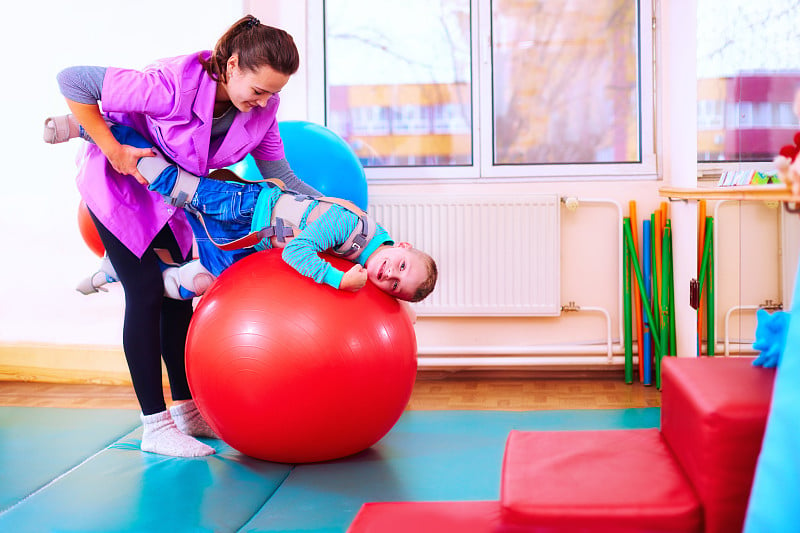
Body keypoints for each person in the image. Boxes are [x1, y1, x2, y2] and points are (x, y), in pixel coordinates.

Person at [44, 15, 320, 457]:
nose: (265, 101)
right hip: (118, 184)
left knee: (181, 298)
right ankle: (155, 427)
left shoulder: (262, 112)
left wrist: (330, 206)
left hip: (171, 196)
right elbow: (73, 80)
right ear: (231, 66)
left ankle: (186, 410)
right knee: (147, 291)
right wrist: (112, 148)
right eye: (259, 89)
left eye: (274, 93)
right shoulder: (171, 85)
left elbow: (279, 174)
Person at [52, 121, 438, 304]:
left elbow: (391, 285)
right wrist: (337, 283)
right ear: (401, 245)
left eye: (394, 286)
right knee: (176, 185)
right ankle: (88, 127)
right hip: (249, 208)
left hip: (247, 237)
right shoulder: (351, 227)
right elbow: (295, 253)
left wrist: (404, 309)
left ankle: (119, 270)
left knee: (206, 282)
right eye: (400, 266)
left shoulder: (370, 250)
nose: (389, 274)